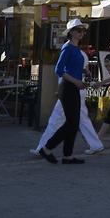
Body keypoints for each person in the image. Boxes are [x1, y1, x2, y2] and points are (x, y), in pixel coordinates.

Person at [32, 46, 104, 157]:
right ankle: (95, 144)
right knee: (80, 119)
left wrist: (61, 90)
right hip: (75, 91)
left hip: (71, 92)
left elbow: (65, 72)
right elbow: (85, 71)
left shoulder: (70, 52)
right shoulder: (79, 54)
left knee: (56, 120)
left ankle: (42, 147)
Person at [37, 18, 89, 164]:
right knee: (72, 122)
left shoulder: (76, 48)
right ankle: (47, 148)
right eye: (78, 30)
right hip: (68, 87)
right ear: (71, 32)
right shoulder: (67, 48)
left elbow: (73, 68)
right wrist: (76, 81)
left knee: (74, 122)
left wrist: (85, 72)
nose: (81, 33)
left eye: (83, 30)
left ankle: (67, 155)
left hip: (73, 87)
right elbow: (58, 70)